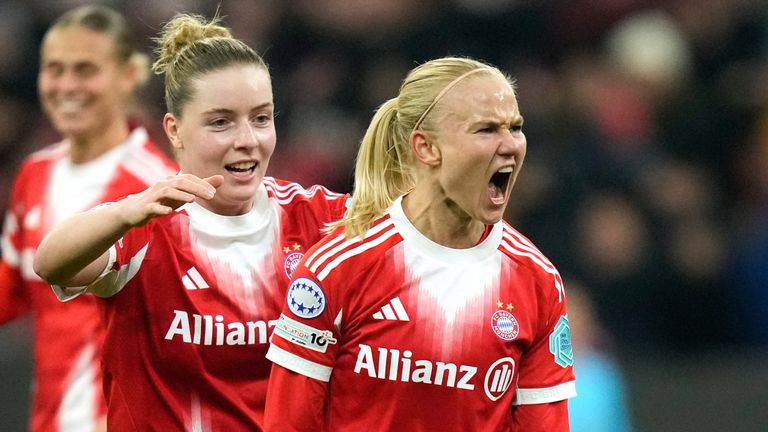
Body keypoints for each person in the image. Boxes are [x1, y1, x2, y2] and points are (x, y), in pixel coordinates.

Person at [33, 12, 348, 432]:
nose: (247, 140)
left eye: (261, 118)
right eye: (220, 122)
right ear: (175, 130)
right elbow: (50, 262)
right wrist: (127, 212)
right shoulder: (143, 222)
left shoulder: (318, 217)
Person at [264, 56, 576, 431]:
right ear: (426, 148)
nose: (510, 145)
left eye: (515, 127)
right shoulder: (337, 268)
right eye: (486, 130)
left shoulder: (537, 280)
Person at [0, 5, 178, 432]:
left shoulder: (155, 189)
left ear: (129, 76)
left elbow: (182, 331)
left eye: (85, 70)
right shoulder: (35, 174)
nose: (66, 86)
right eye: (54, 70)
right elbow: (10, 291)